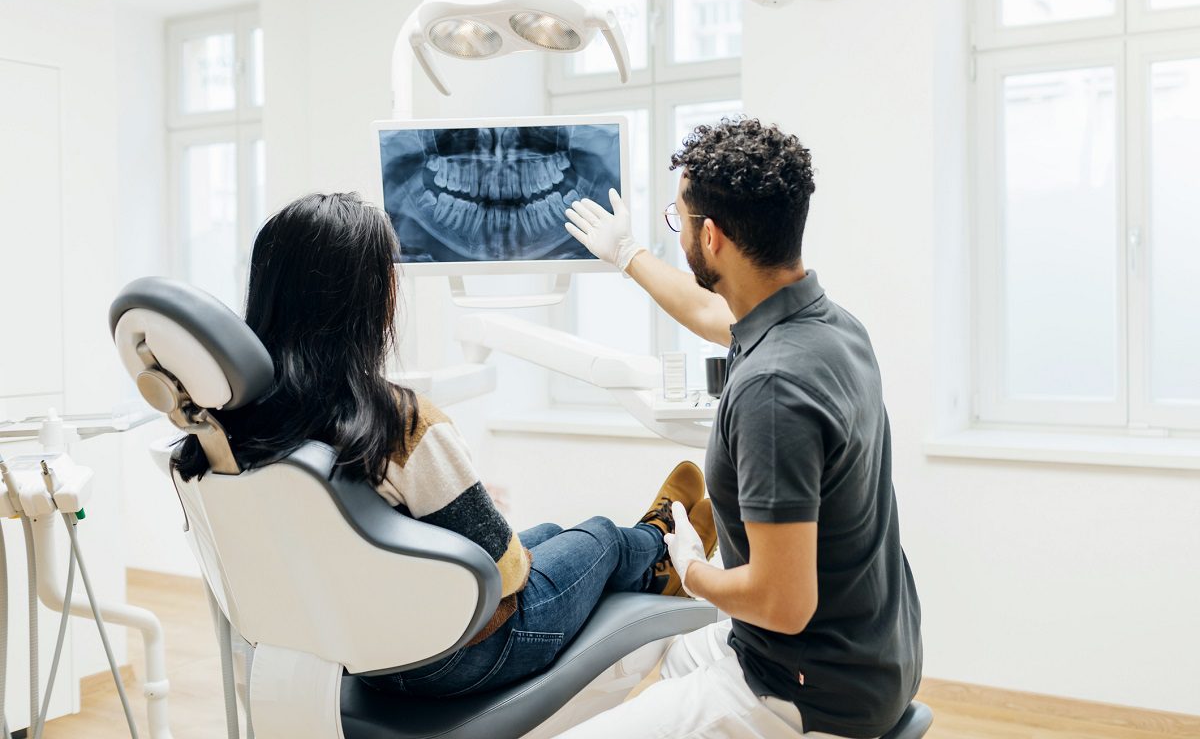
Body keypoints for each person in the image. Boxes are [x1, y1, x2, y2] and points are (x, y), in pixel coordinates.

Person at [172, 192, 719, 698]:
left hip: (359, 651)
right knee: (600, 534)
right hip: (464, 654)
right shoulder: (399, 423)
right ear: (369, 298)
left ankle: (648, 557)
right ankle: (663, 541)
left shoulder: (228, 434)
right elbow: (506, 573)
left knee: (553, 534)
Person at [558, 118, 922, 738]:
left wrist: (693, 567)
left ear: (714, 237)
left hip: (802, 692)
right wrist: (627, 254)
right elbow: (708, 310)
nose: (677, 237)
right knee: (663, 654)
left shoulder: (772, 389)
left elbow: (784, 604)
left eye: (677, 222)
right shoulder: (828, 324)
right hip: (871, 656)